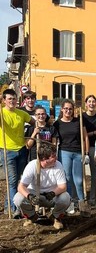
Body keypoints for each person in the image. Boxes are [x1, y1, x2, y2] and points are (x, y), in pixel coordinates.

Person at [13, 143, 70, 229]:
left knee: (65, 198)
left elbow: (63, 187)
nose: (56, 158)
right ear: (44, 159)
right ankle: (31, 217)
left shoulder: (58, 165)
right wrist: (30, 196)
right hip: (35, 195)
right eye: (53, 156)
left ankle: (55, 217)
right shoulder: (32, 166)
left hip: (51, 196)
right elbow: (21, 186)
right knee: (18, 198)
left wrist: (52, 193)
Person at [0, 89, 35, 217]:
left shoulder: (21, 113)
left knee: (18, 180)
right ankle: (14, 209)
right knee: (12, 180)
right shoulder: (1, 113)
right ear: (4, 100)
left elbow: (34, 122)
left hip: (21, 150)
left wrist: (36, 129)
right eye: (9, 99)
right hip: (7, 150)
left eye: (14, 98)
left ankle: (7, 205)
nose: (12, 101)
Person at [53, 99, 89, 214]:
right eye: (66, 108)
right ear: (62, 109)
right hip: (64, 152)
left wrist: (86, 153)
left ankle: (82, 202)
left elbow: (85, 138)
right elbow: (55, 140)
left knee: (78, 180)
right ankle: (69, 203)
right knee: (67, 178)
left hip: (78, 152)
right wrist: (54, 154)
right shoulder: (57, 123)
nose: (68, 111)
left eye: (70, 109)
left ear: (73, 110)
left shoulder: (78, 121)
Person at [82, 95, 96, 206]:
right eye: (89, 101)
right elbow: (83, 135)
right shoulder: (83, 117)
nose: (91, 103)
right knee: (93, 174)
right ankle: (92, 198)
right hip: (89, 147)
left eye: (93, 101)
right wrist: (95, 132)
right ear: (86, 103)